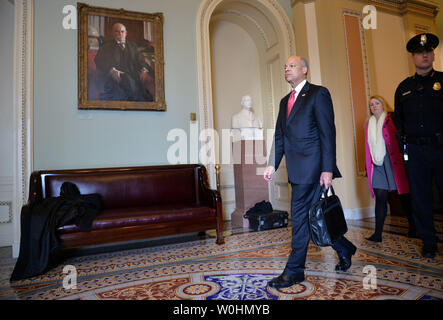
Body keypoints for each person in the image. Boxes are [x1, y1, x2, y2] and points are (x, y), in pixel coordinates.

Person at [263, 56, 357, 289]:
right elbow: (279, 136)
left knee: (301, 218)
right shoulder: (285, 100)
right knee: (318, 216)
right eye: (285, 66)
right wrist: (272, 163)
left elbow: (328, 133)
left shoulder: (318, 94)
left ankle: (294, 270)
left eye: (292, 65)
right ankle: (344, 248)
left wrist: (327, 168)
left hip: (314, 169)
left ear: (304, 70)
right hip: (296, 170)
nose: (287, 68)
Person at [393, 33, 443, 259]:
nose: (425, 55)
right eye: (420, 53)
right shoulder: (403, 87)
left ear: (433, 54)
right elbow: (398, 121)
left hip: (441, 148)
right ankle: (429, 243)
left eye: (428, 51)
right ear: (413, 57)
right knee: (420, 198)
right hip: (414, 151)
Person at [364, 95, 416, 242]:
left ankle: (413, 227)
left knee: (403, 196)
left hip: (393, 161)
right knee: (380, 198)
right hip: (377, 163)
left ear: (383, 104)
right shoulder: (369, 124)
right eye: (371, 105)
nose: (374, 106)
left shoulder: (392, 119)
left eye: (377, 103)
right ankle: (377, 234)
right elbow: (369, 148)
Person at [94, 23, 154, 102]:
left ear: (126, 33)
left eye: (122, 31)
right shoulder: (106, 46)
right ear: (113, 33)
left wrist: (144, 69)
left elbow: (140, 61)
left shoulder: (133, 46)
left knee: (145, 96)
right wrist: (111, 70)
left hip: (133, 76)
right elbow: (98, 60)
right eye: (117, 32)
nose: (120, 34)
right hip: (116, 77)